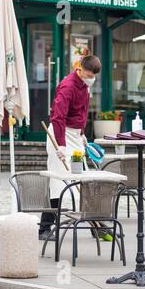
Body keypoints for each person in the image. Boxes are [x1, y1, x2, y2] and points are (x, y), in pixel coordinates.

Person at [39, 55, 101, 240]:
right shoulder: (67, 86)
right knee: (58, 183)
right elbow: (57, 118)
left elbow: (82, 112)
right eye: (89, 74)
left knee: (82, 180)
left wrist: (82, 133)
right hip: (61, 135)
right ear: (80, 68)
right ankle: (44, 228)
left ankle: (95, 224)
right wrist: (61, 146)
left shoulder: (85, 84)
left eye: (93, 75)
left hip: (74, 136)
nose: (91, 78)